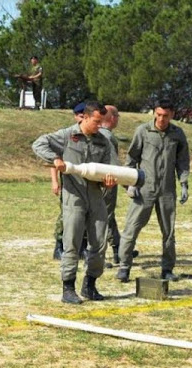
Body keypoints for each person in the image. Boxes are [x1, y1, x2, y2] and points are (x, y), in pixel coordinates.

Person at [33, 102, 117, 304]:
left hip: (96, 196)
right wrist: (55, 159)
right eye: (96, 122)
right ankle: (68, 288)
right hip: (74, 197)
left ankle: (90, 285)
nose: (99, 126)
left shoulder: (103, 141)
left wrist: (109, 180)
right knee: (72, 242)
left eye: (101, 122)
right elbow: (38, 144)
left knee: (99, 241)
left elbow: (110, 167)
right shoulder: (67, 135)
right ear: (85, 118)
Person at [117, 98, 190, 283]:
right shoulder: (143, 131)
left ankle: (167, 269)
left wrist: (183, 184)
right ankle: (124, 267)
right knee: (131, 229)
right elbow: (131, 159)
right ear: (154, 113)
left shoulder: (178, 134)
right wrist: (130, 183)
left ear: (172, 114)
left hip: (167, 190)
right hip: (144, 189)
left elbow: (182, 162)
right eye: (158, 115)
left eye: (166, 115)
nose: (161, 119)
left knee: (169, 232)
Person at [99, 105, 139, 265]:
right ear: (113, 118)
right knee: (103, 217)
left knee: (108, 216)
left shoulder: (101, 134)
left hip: (101, 180)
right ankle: (97, 255)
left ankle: (118, 249)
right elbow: (114, 166)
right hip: (106, 181)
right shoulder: (107, 137)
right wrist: (128, 184)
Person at [51, 102, 87, 260]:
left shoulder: (93, 136)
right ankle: (59, 246)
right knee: (66, 215)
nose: (82, 119)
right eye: (80, 116)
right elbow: (54, 159)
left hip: (87, 184)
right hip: (70, 184)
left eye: (85, 116)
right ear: (75, 116)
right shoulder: (67, 136)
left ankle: (83, 247)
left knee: (86, 216)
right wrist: (55, 181)